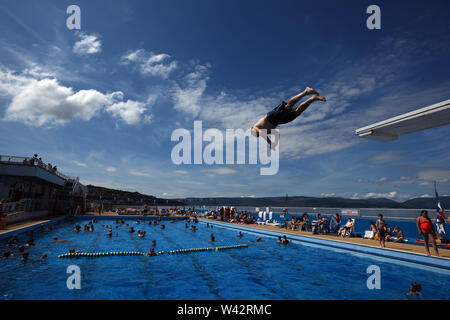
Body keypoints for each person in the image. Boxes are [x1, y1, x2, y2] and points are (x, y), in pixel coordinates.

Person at [251, 87, 327, 149]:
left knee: (287, 107)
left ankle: (306, 92)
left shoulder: (255, 128)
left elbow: (261, 133)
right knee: (297, 113)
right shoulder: (265, 132)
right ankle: (313, 98)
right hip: (278, 121)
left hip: (271, 117)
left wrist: (271, 143)